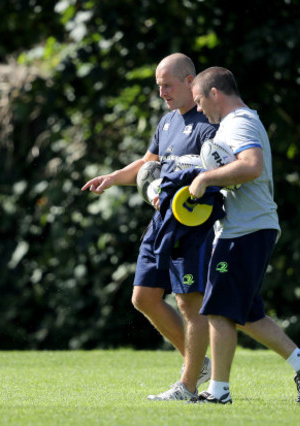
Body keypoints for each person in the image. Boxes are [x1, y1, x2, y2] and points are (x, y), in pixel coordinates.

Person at [81, 53, 217, 401]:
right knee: (142, 297)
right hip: (160, 223)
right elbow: (148, 164)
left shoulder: (209, 124)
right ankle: (196, 363)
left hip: (191, 225)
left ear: (190, 81)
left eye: (167, 85)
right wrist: (114, 178)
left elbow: (216, 177)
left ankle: (188, 387)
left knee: (189, 303)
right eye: (158, 86)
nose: (162, 93)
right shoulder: (167, 123)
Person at [188, 66, 300, 404]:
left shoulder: (240, 122)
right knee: (247, 314)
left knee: (218, 310)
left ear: (214, 93)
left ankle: (218, 392)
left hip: (245, 231)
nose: (200, 108)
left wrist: (207, 179)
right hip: (246, 228)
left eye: (199, 100)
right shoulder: (236, 123)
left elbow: (252, 165)